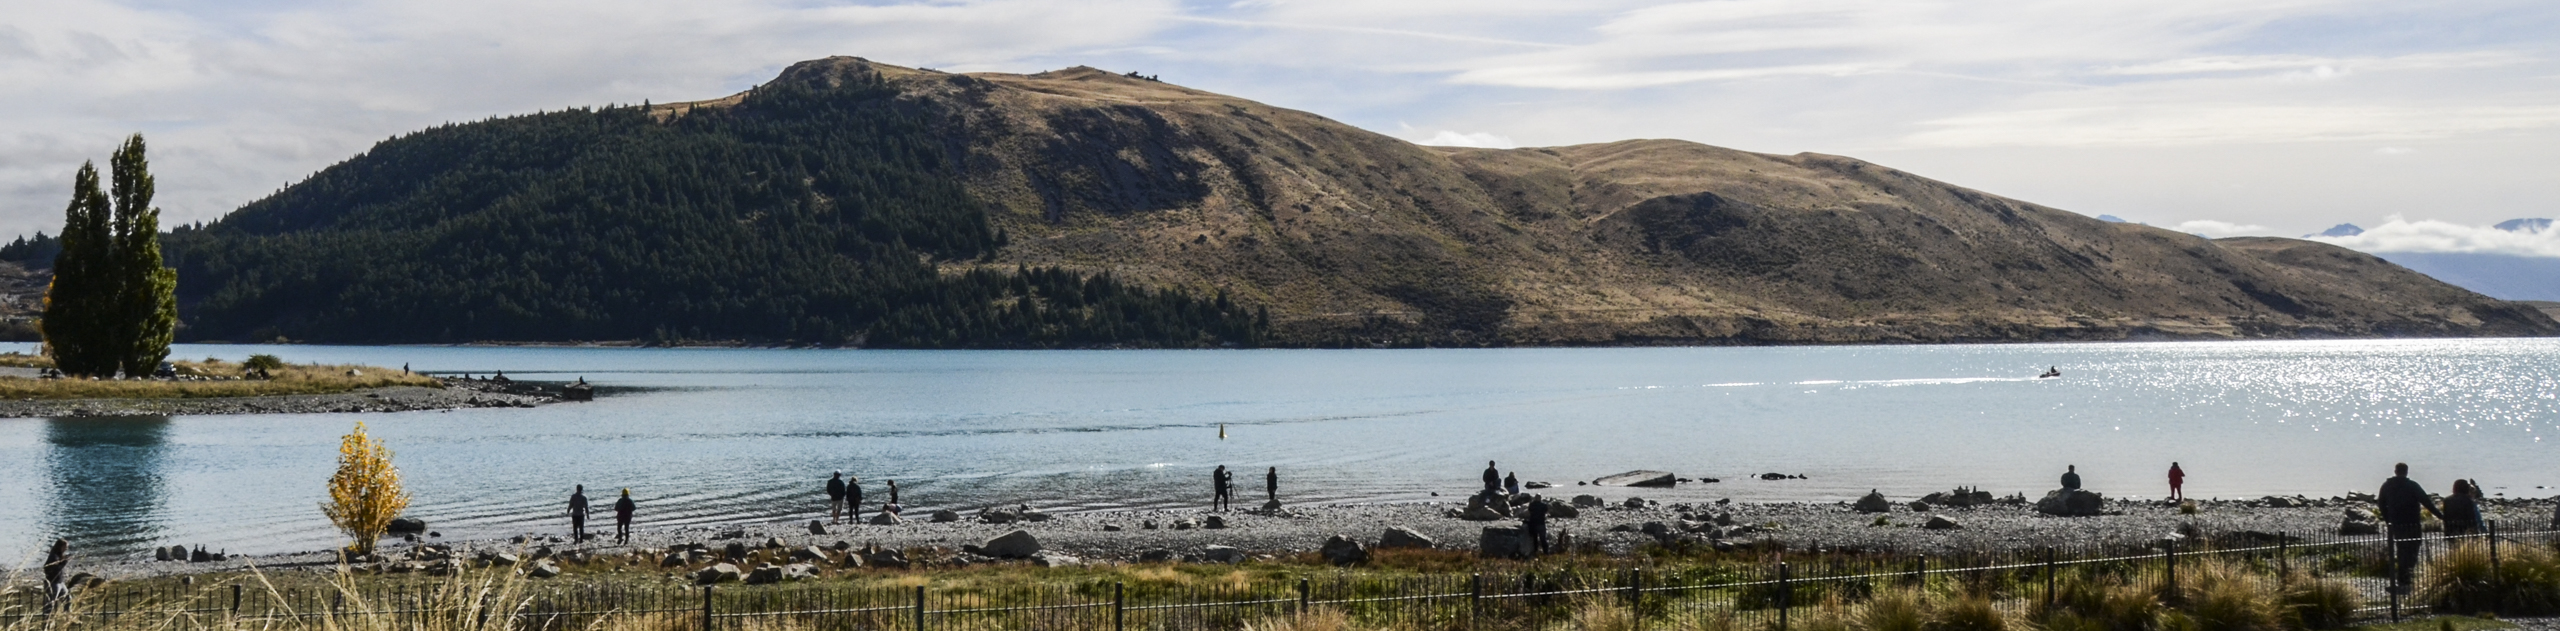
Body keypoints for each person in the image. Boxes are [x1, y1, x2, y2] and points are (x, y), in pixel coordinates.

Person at [2378, 463, 2445, 594]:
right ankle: (2407, 576)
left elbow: (2381, 504)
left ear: (2395, 471)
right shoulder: (2412, 485)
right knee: (2412, 550)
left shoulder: (2387, 486)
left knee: (2401, 549)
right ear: (2406, 472)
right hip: (2412, 523)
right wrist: (2441, 516)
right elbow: (2426, 502)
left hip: (2396, 524)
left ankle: (2403, 578)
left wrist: (2388, 520)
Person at [42, 538, 69, 612]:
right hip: (54, 583)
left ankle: (67, 616)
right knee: (50, 603)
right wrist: (64, 562)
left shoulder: (58, 555)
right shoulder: (53, 557)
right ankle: (46, 620)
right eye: (65, 547)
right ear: (60, 546)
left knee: (68, 599)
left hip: (60, 582)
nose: (66, 549)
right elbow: (54, 568)